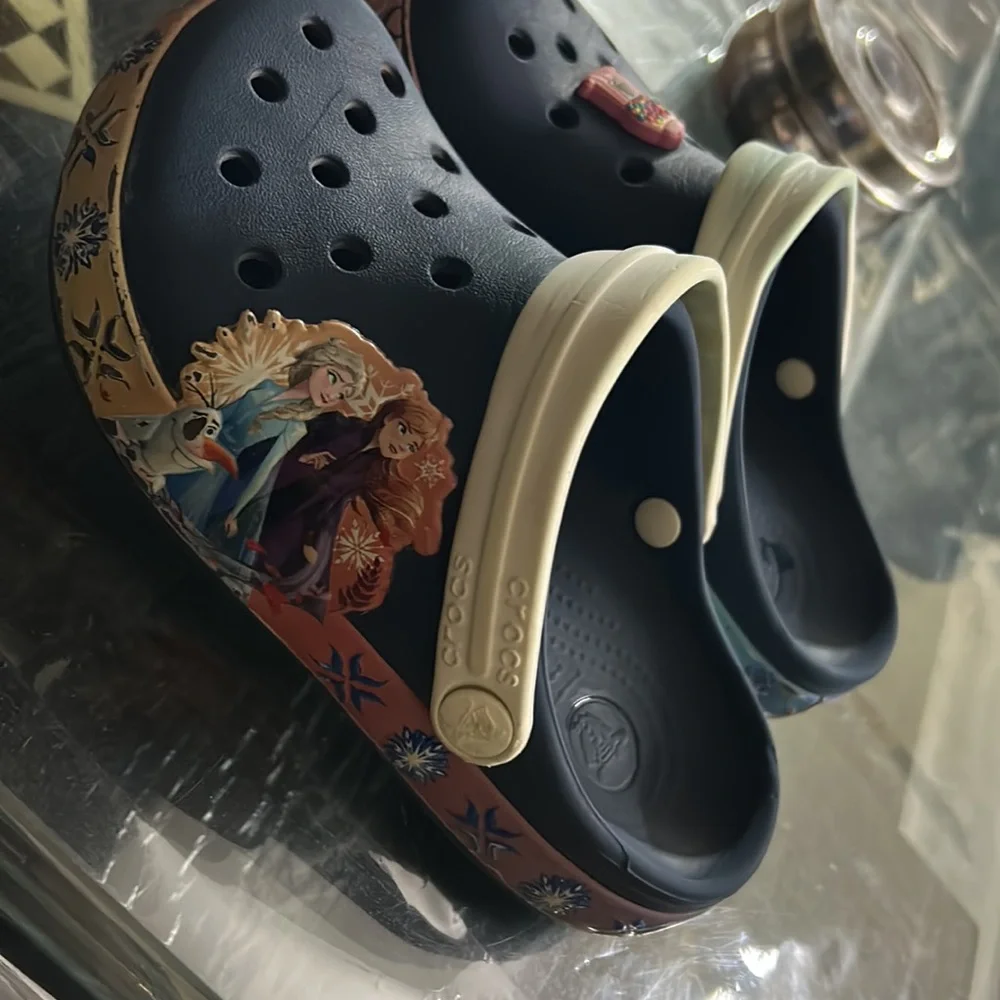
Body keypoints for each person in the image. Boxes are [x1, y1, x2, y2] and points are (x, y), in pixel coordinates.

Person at [224, 397, 444, 619]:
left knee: (282, 557)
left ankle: (241, 589)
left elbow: (333, 504)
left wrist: (311, 539)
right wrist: (304, 459)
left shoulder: (372, 472)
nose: (401, 445)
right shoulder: (340, 426)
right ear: (389, 418)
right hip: (276, 484)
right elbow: (290, 438)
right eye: (403, 430)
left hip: (304, 514)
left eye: (411, 447)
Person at [168, 337, 368, 560]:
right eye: (332, 377)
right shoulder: (264, 385)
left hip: (213, 478)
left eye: (341, 395)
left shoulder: (295, 428)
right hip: (191, 451)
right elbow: (220, 415)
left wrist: (236, 512)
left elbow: (263, 472)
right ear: (317, 363)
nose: (331, 394)